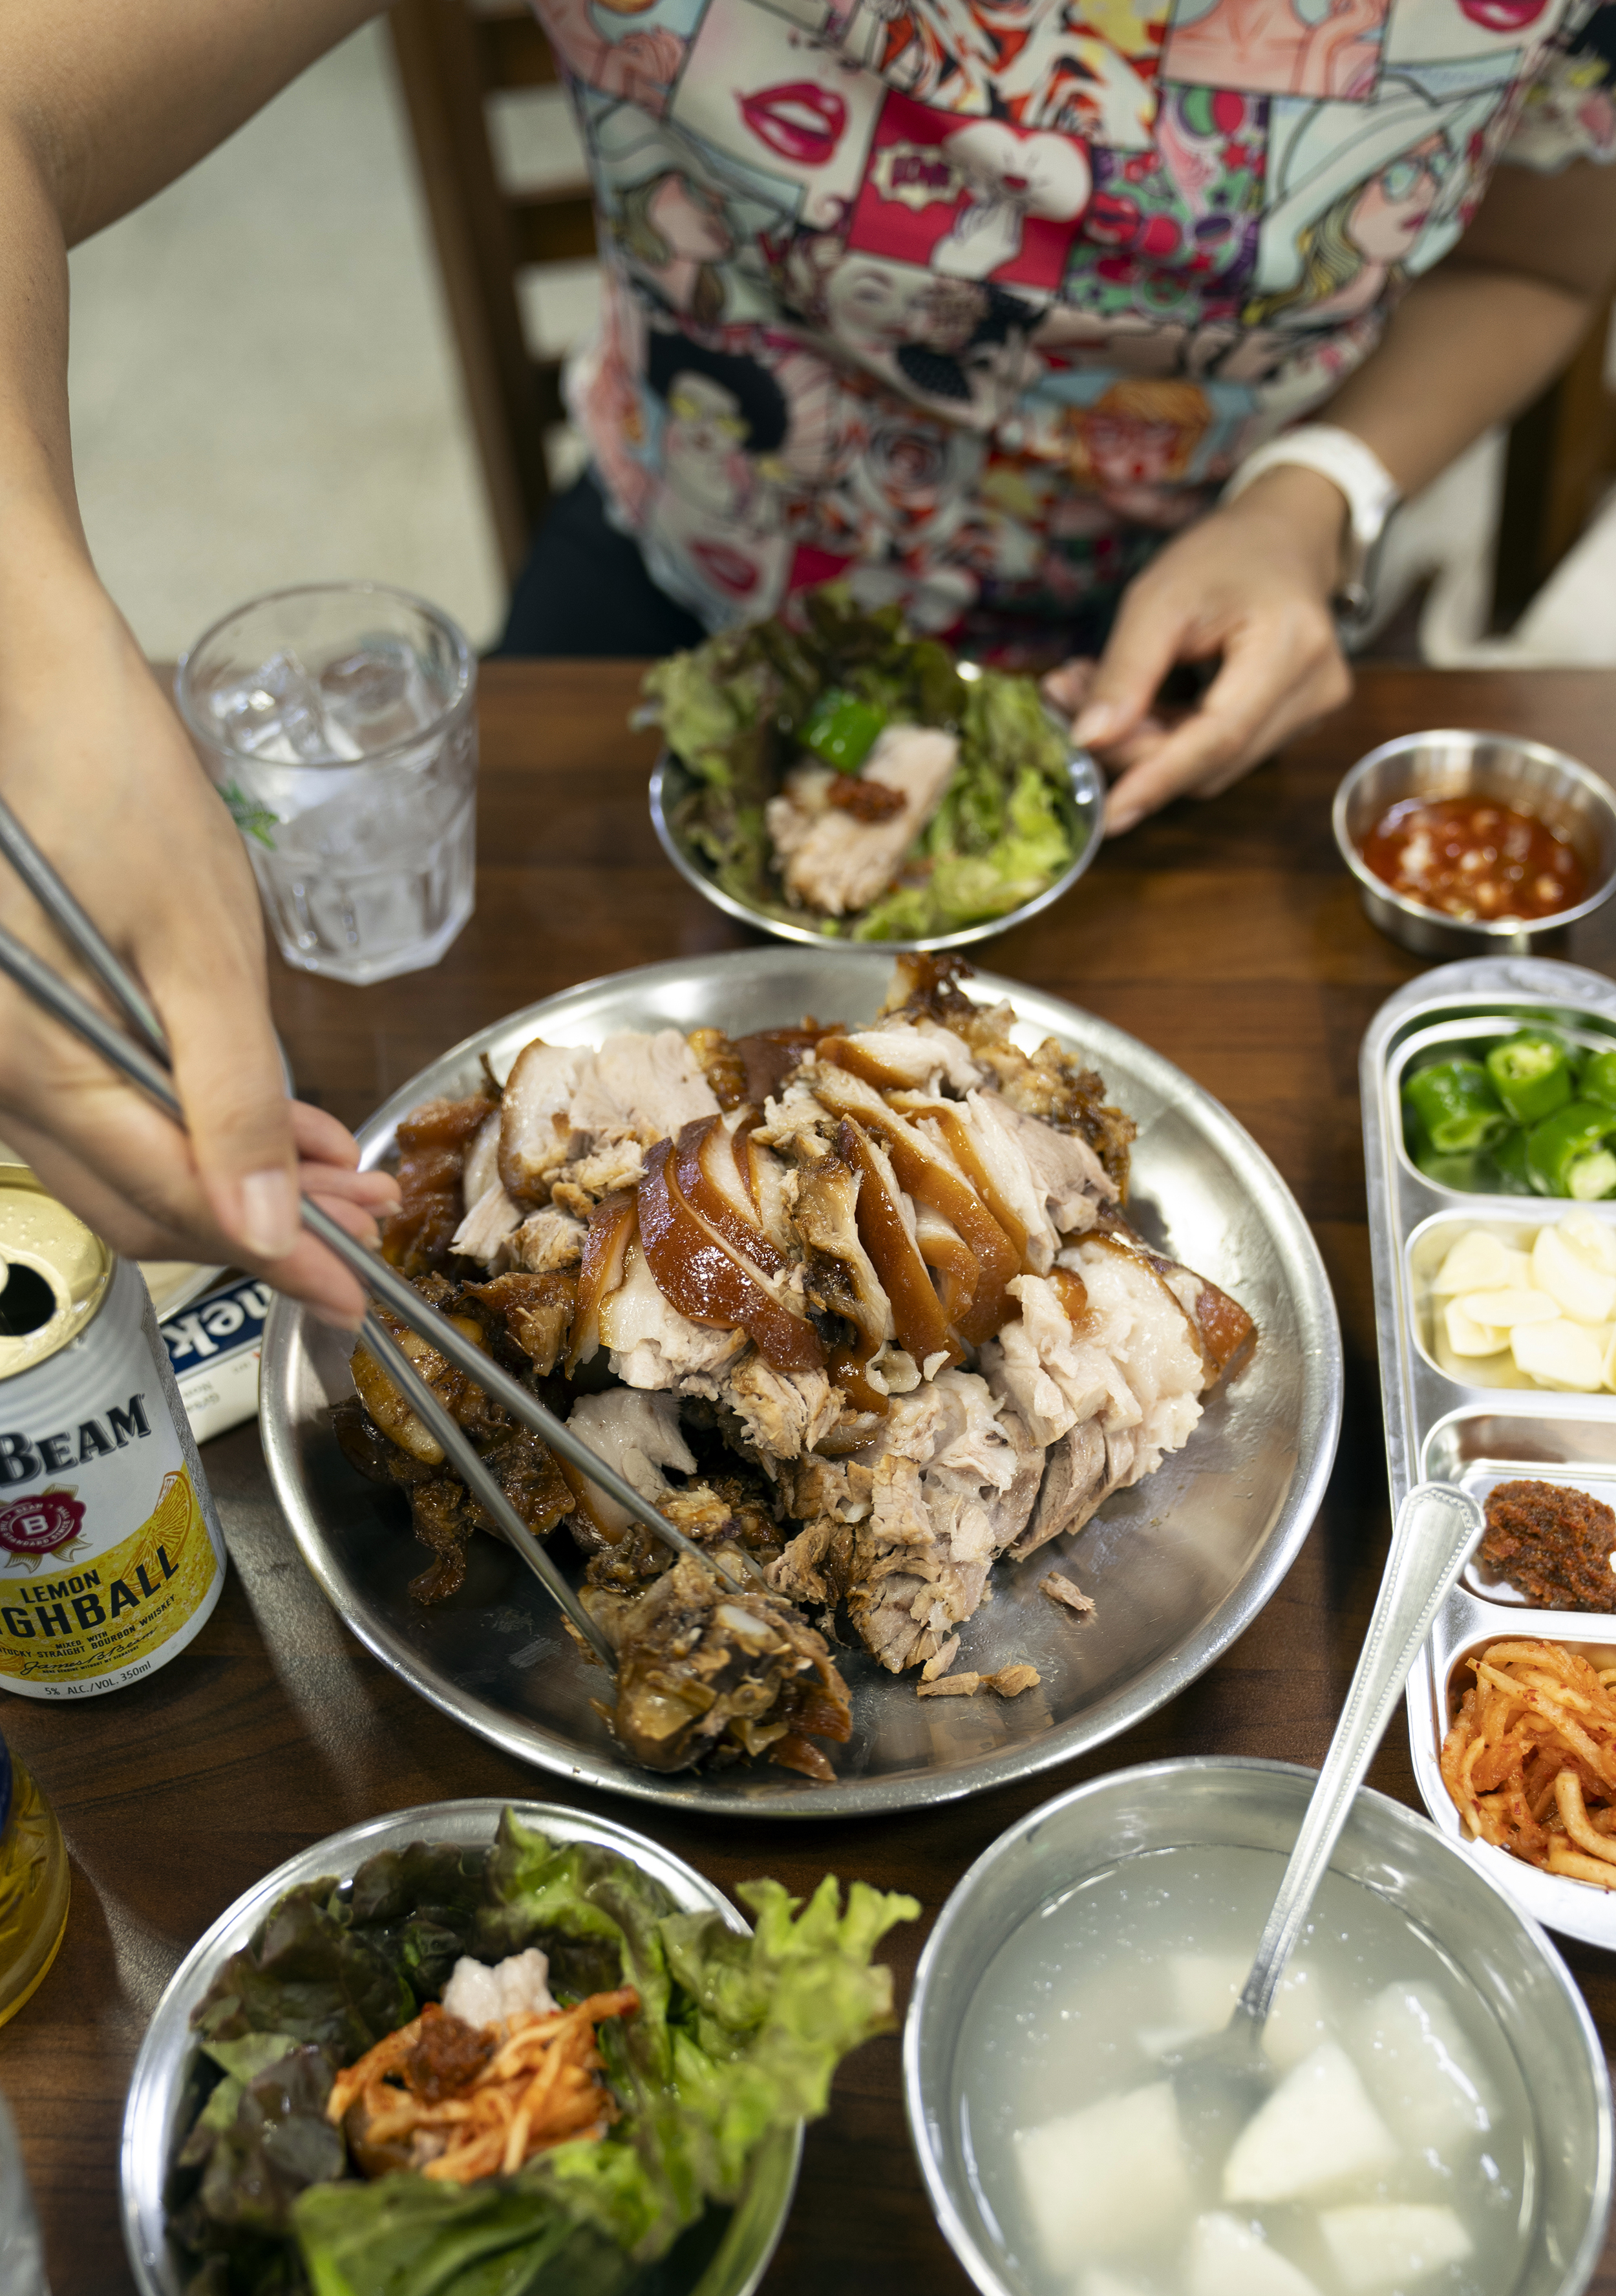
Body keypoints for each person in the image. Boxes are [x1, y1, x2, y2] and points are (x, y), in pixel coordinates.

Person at [1, 1, 1615, 1313]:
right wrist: (41, 661)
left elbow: (1543, 256)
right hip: (681, 599)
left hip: (1190, 676)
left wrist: (1310, 503)